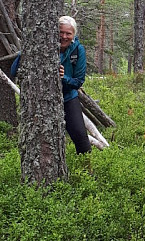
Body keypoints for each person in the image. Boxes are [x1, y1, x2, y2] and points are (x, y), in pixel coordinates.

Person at [10, 16, 91, 154]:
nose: (64, 36)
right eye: (61, 32)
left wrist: (63, 77)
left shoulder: (78, 50)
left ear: (73, 35)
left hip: (68, 97)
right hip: (41, 100)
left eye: (68, 33)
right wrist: (26, 50)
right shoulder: (40, 46)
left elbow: (78, 82)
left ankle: (86, 173)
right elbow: (14, 71)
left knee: (81, 137)